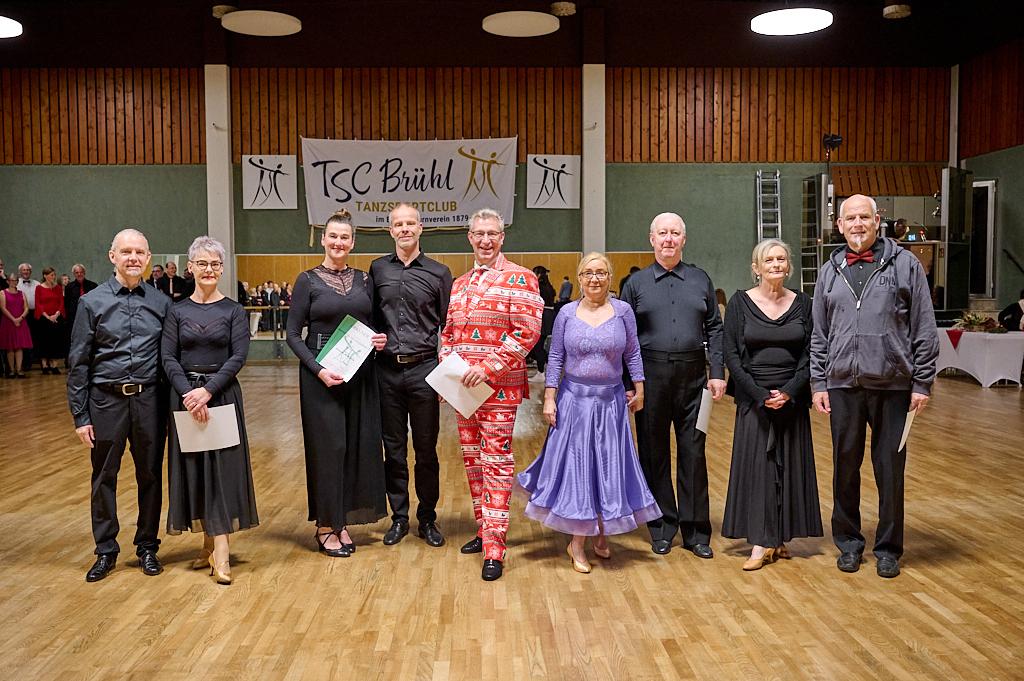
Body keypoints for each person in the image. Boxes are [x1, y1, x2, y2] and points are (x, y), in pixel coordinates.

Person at [810, 194, 939, 579]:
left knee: (890, 470)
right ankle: (849, 544)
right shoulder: (829, 270)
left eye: (864, 217)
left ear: (877, 220)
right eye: (850, 218)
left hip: (894, 386)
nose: (857, 225)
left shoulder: (906, 265)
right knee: (845, 469)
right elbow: (820, 332)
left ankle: (888, 548)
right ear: (839, 225)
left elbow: (924, 325)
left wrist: (923, 381)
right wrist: (819, 381)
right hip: (843, 385)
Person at [518, 253, 658, 574]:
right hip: (574, 402)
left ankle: (601, 531)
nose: (595, 278)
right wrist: (550, 398)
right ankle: (577, 542)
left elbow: (633, 352)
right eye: (588, 273)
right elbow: (555, 357)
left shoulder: (622, 311)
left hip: (611, 403)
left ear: (610, 277)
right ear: (579, 278)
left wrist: (640, 388)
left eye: (601, 273)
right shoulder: (567, 312)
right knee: (580, 470)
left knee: (607, 468)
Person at [440, 208, 543, 581]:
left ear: (502, 237)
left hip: (498, 388)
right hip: (462, 391)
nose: (485, 240)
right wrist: (446, 364)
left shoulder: (521, 278)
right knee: (472, 461)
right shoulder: (460, 283)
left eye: (492, 234)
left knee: (496, 462)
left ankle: (495, 547)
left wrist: (487, 368)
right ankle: (484, 529)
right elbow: (448, 333)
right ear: (469, 237)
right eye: (479, 233)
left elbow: (527, 333)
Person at [67, 228, 171, 582]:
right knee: (104, 477)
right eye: (126, 251)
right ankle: (106, 550)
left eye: (139, 252)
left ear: (148, 258)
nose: (133, 258)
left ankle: (147, 547)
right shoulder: (91, 303)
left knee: (151, 476)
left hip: (150, 402)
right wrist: (81, 416)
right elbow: (78, 363)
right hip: (105, 402)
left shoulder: (161, 304)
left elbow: (170, 359)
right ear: (112, 256)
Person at [620, 212, 726, 559]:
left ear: (684, 239)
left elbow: (715, 328)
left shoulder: (700, 279)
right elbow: (625, 337)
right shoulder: (635, 285)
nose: (668, 239)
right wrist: (629, 384)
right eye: (662, 233)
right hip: (649, 377)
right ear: (651, 239)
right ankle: (663, 526)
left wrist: (717, 372)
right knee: (653, 454)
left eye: (675, 233)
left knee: (693, 454)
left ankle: (696, 531)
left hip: (695, 379)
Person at [286, 208, 388, 558]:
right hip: (321, 378)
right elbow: (292, 334)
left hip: (359, 375)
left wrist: (379, 340)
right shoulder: (307, 281)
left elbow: (373, 324)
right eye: (333, 236)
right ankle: (325, 526)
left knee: (355, 447)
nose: (339, 242)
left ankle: (341, 521)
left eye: (345, 237)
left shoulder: (364, 280)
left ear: (352, 242)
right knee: (328, 450)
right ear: (324, 239)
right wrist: (317, 370)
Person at [162, 236, 258, 585]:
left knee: (221, 472)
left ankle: (221, 552)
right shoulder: (176, 311)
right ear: (190, 267)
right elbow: (168, 357)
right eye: (202, 263)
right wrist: (189, 393)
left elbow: (237, 357)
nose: (209, 270)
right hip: (186, 400)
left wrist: (206, 390)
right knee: (195, 471)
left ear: (222, 268)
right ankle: (207, 542)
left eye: (215, 264)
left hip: (221, 397)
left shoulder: (233, 310)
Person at [721, 239, 822, 571]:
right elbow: (732, 355)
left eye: (781, 259)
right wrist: (759, 393)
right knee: (761, 469)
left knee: (787, 468)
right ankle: (760, 541)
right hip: (754, 396)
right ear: (756, 267)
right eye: (769, 260)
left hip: (791, 396)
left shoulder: (803, 304)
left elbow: (812, 352)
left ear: (788, 265)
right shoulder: (739, 303)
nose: (776, 264)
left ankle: (778, 539)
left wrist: (791, 390)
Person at [371, 203, 453, 548]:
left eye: (410, 223)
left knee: (426, 451)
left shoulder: (439, 272)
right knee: (393, 449)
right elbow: (368, 317)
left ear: (421, 228)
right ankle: (399, 517)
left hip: (424, 371)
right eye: (398, 224)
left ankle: (428, 518)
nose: (405, 229)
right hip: (386, 371)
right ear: (390, 230)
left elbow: (450, 327)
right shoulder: (376, 270)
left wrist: (446, 378)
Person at [33, 266, 67, 374]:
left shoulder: (57, 288)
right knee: (44, 342)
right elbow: (38, 303)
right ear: (45, 276)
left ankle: (54, 365)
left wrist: (56, 315)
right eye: (51, 275)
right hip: (44, 319)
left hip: (56, 319)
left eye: (54, 275)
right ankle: (44, 366)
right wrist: (47, 317)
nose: (53, 277)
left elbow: (61, 302)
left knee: (55, 342)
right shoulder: (39, 288)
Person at [0, 273, 32, 378]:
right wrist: (13, 319)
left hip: (20, 322)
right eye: (12, 280)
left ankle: (19, 369)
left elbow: (26, 308)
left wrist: (20, 318)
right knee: (10, 347)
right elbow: (3, 308)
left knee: (19, 347)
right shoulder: (3, 293)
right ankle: (12, 370)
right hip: (8, 322)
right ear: (7, 281)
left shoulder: (22, 293)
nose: (15, 282)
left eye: (16, 280)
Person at [528, 265, 557, 379]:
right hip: (549, 316)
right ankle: (542, 371)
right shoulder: (549, 286)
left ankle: (543, 370)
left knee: (537, 346)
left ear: (538, 274)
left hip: (542, 316)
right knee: (540, 344)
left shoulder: (539, 286)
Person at [64, 264, 98, 337]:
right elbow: (67, 303)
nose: (79, 274)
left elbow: (96, 303)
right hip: (74, 317)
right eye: (77, 272)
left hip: (89, 316)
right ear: (74, 274)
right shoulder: (69, 287)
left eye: (81, 272)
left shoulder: (93, 285)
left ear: (84, 273)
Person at [17, 263, 39, 371]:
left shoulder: (37, 284)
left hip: (34, 313)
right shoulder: (16, 284)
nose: (26, 272)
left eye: (28, 270)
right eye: (24, 270)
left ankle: (33, 360)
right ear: (20, 272)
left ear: (31, 271)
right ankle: (24, 362)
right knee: (23, 338)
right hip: (21, 314)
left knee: (34, 337)